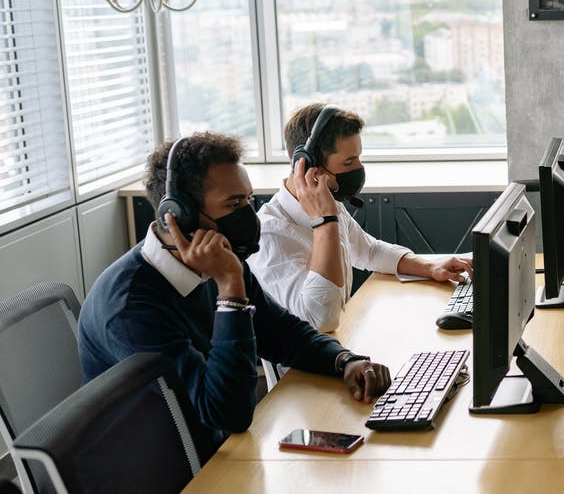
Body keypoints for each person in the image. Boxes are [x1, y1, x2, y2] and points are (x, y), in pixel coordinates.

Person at [78, 133, 392, 452]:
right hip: (167, 467)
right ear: (178, 215)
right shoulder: (131, 308)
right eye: (233, 203)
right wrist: (231, 290)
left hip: (218, 448)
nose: (247, 214)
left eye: (247, 199)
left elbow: (281, 332)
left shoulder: (218, 259)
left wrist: (345, 361)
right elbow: (227, 414)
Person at [247, 104, 472, 333]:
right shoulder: (270, 235)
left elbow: (368, 251)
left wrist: (430, 267)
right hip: (305, 364)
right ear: (307, 165)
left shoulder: (329, 200)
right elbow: (320, 319)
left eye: (358, 159)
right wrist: (325, 222)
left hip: (340, 343)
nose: (359, 168)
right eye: (349, 162)